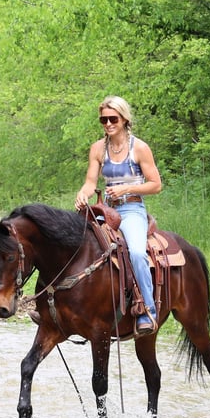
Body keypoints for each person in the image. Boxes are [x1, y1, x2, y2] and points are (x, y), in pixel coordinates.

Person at [75, 95, 162, 335]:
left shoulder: (140, 148)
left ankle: (147, 309)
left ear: (124, 119)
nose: (108, 124)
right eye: (103, 120)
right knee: (75, 244)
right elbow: (90, 182)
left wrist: (127, 188)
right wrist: (83, 194)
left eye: (113, 119)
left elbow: (156, 184)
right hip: (107, 209)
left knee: (135, 252)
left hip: (132, 208)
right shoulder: (98, 148)